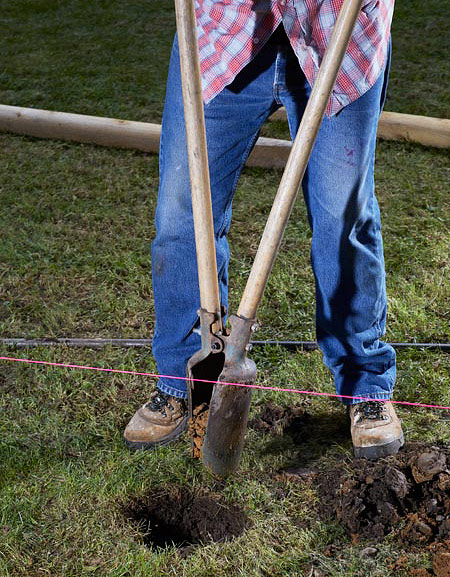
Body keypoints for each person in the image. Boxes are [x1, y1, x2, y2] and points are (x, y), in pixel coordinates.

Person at [124, 0, 404, 460]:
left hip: (338, 30)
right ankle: (180, 381)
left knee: (342, 216)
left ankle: (366, 387)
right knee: (182, 215)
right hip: (223, 31)